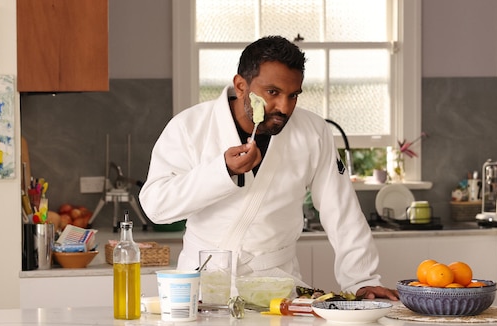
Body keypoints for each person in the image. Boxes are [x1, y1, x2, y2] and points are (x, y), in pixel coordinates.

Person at [139, 35, 397, 300]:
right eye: (273, 92)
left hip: (277, 289)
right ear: (241, 85)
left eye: (293, 95)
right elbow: (156, 207)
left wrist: (362, 280)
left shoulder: (313, 132)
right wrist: (222, 171)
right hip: (203, 287)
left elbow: (342, 212)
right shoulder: (190, 126)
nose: (284, 107)